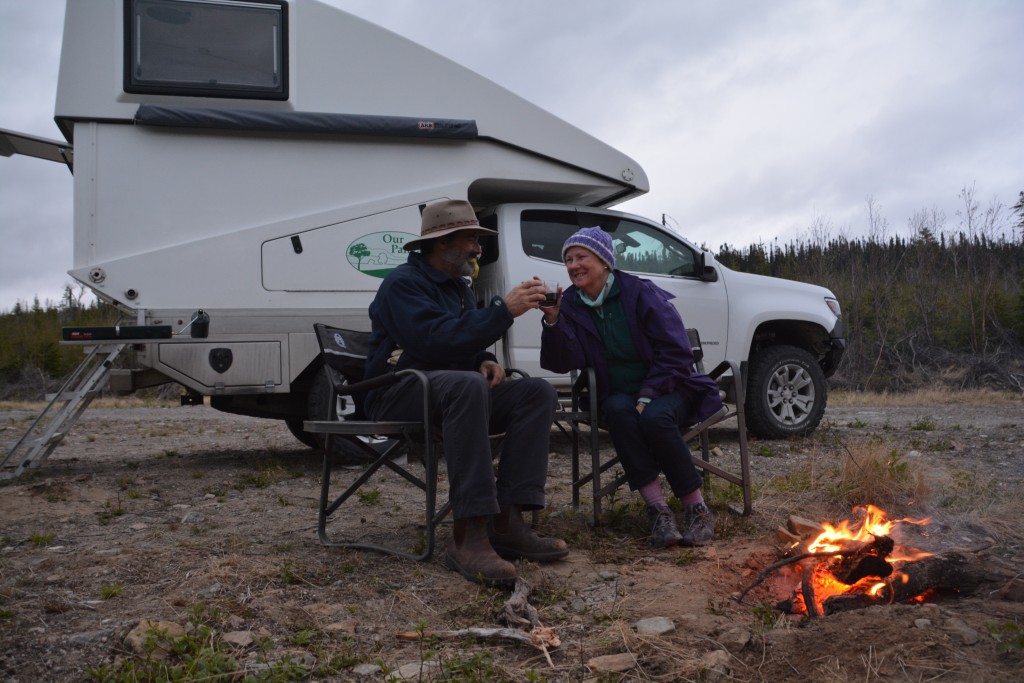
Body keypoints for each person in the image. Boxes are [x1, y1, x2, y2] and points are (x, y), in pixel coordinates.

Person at [363, 199, 569, 586]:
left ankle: (507, 522)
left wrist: (483, 358)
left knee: (536, 392)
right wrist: (502, 311)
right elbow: (431, 341)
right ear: (442, 243)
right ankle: (469, 534)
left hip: (450, 393)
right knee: (466, 385)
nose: (478, 248)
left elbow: (456, 341)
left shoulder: (456, 288)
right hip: (395, 391)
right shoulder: (402, 285)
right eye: (471, 239)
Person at [539, 226, 723, 547]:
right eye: (568, 260)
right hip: (617, 393)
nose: (573, 265)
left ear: (604, 261)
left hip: (670, 386)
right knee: (618, 412)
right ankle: (658, 510)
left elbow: (676, 351)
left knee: (654, 418)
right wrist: (553, 320)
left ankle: (697, 507)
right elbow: (562, 360)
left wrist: (649, 394)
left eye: (581, 257)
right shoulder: (570, 303)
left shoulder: (639, 292)